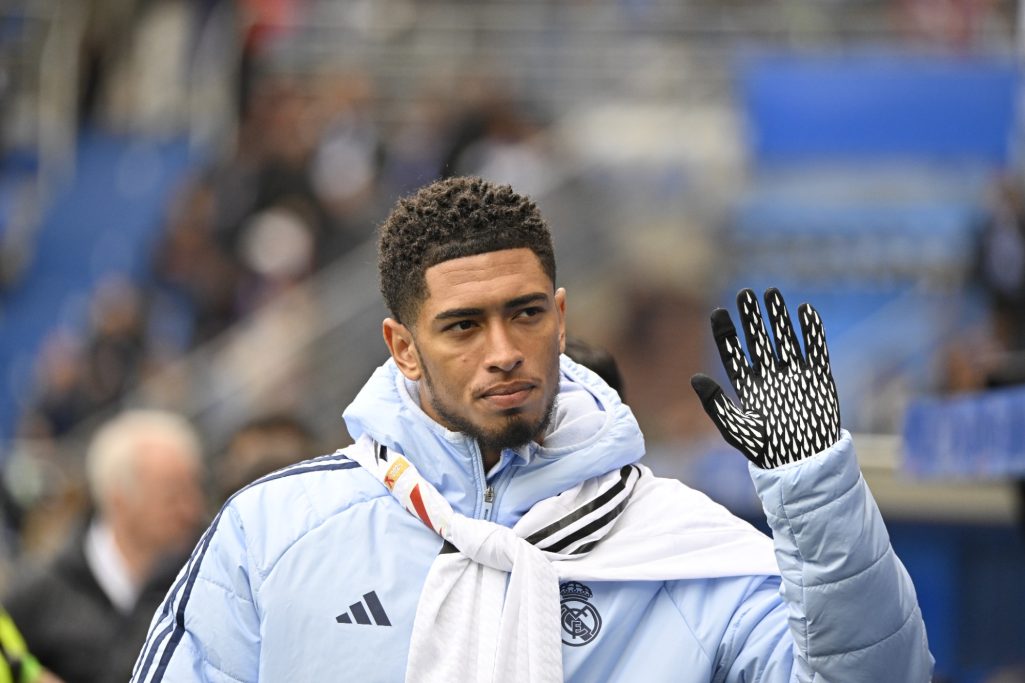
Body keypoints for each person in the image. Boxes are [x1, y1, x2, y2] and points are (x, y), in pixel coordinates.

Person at [133, 177, 932, 682]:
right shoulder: (276, 531)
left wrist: (816, 490)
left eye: (523, 313)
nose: (504, 351)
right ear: (401, 347)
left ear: (560, 316)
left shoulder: (683, 549)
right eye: (462, 326)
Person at [5, 410, 206, 683]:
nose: (190, 509)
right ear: (119, 498)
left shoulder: (205, 579)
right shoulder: (39, 593)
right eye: (172, 496)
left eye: (194, 489)